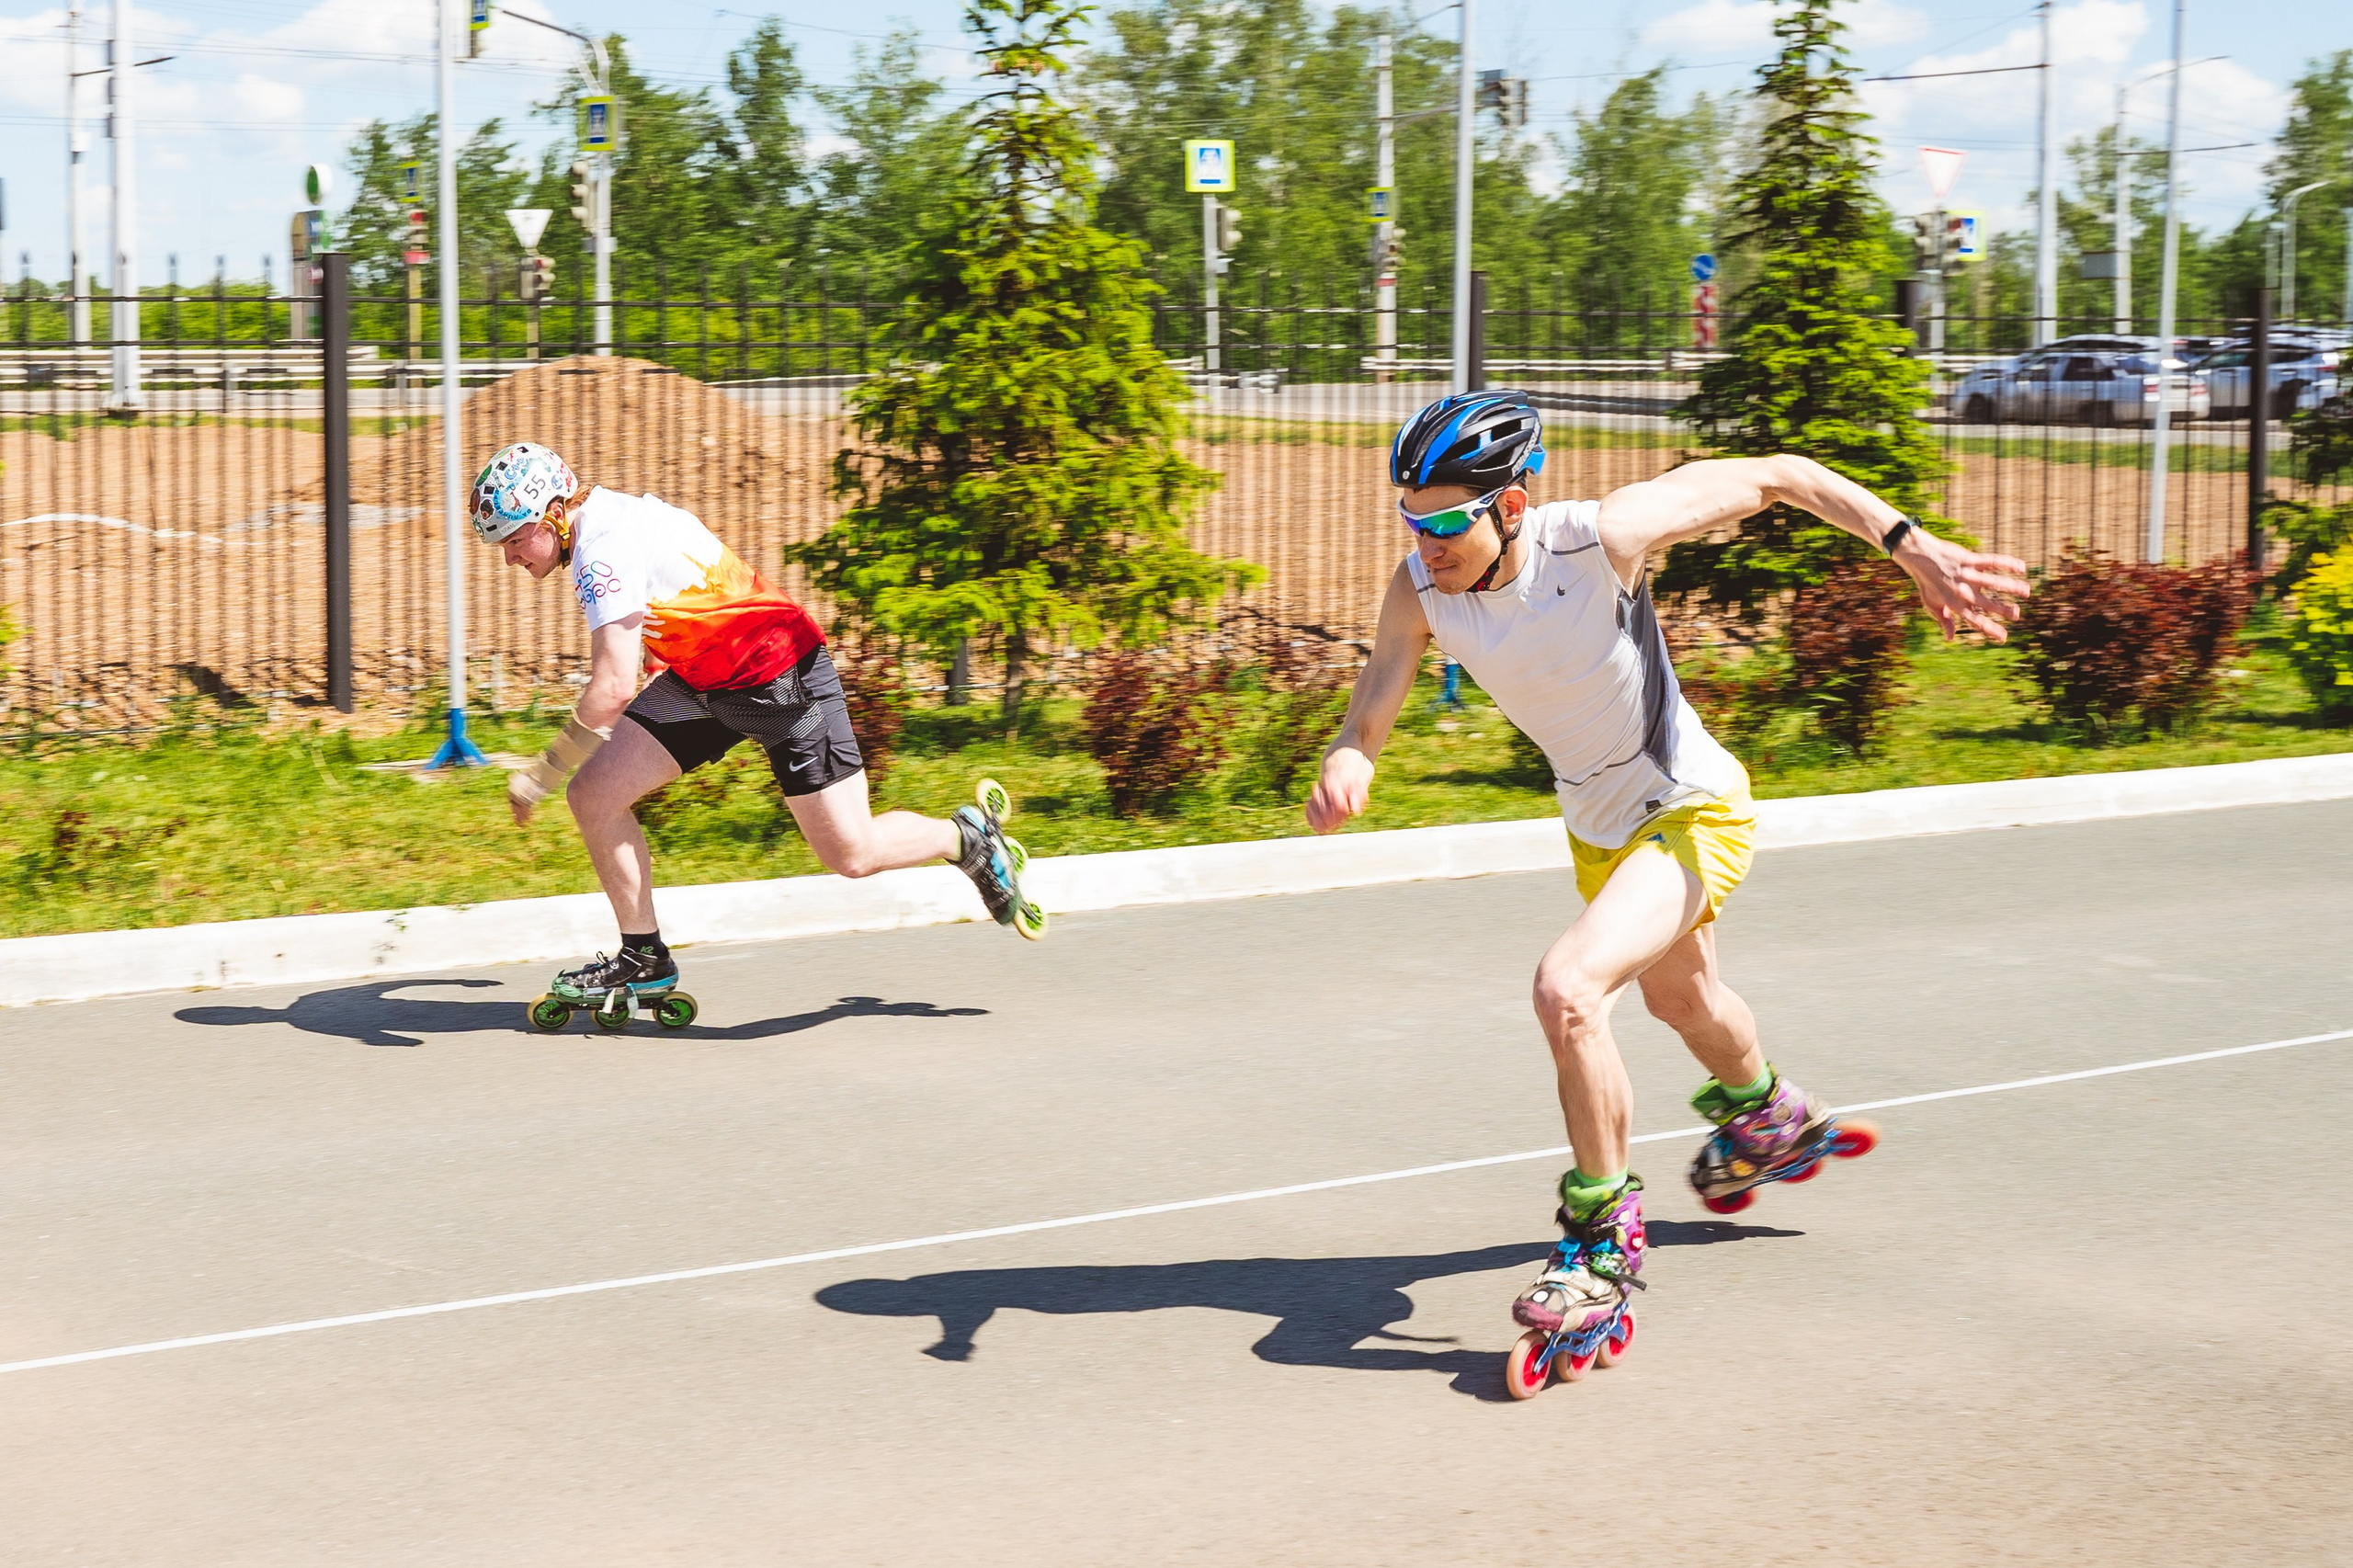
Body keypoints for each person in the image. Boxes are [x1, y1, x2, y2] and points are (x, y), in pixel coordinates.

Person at [1303, 391, 2028, 1365]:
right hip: (1600, 830)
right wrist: (1352, 759)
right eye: (1411, 516)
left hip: (1691, 805)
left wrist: (1910, 544)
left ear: (1510, 504)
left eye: (1444, 519)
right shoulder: (1418, 590)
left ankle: (1599, 1241)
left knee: (1567, 990)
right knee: (1685, 1000)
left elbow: (1777, 475)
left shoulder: (1599, 537)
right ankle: (1767, 1113)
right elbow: (1372, 705)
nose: (1425, 540)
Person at [472, 442, 1045, 1020]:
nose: (511, 559)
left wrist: (539, 774)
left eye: (515, 540)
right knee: (594, 795)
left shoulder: (602, 552)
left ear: (552, 513)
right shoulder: (608, 520)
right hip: (705, 683)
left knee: (852, 854)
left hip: (782, 684)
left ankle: (967, 839)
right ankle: (643, 956)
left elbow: (612, 688)